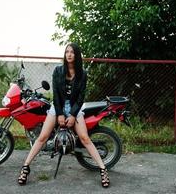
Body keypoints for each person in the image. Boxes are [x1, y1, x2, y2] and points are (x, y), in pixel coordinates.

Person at [17, 43, 110, 188]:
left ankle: (103, 169)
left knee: (85, 139)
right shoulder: (58, 71)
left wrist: (73, 115)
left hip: (75, 107)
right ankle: (25, 167)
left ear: (76, 55)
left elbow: (80, 98)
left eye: (72, 52)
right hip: (58, 106)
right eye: (67, 52)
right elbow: (56, 95)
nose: (69, 54)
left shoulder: (82, 74)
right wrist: (59, 113)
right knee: (42, 137)